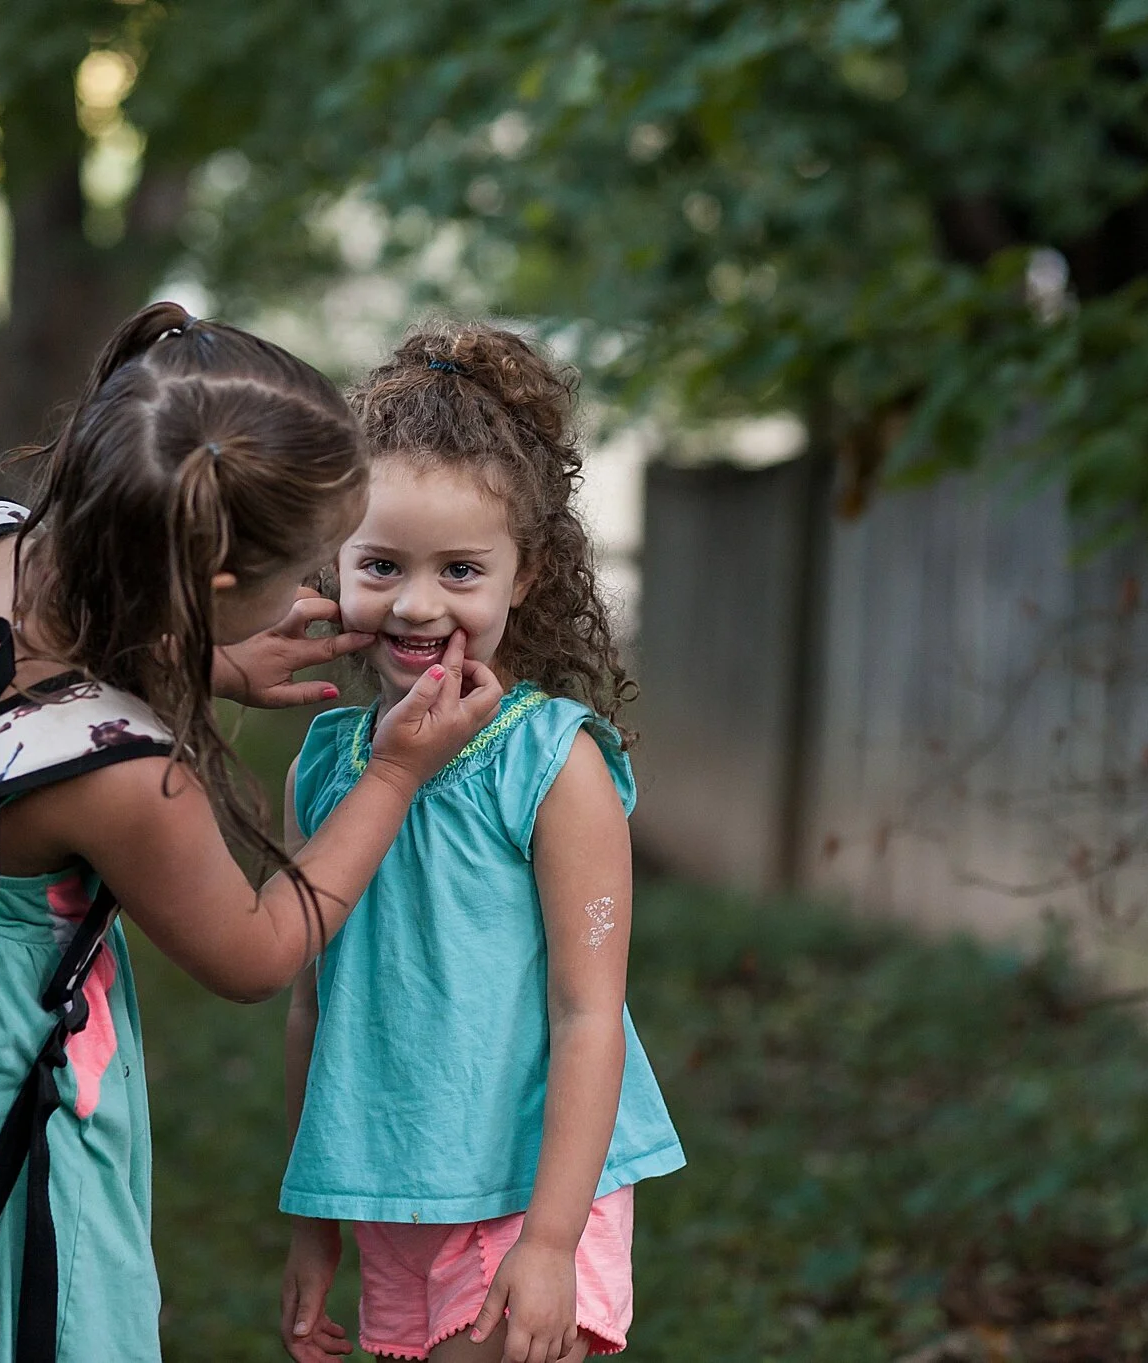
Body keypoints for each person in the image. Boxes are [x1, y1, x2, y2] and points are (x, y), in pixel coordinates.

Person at [0, 302, 505, 1363]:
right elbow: (259, 950)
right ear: (217, 585)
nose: (324, 590)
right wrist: (394, 774)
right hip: (3, 1110)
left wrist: (204, 663)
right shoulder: (124, 776)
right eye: (308, 568)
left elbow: (18, 692)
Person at [279, 325, 686, 1363]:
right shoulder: (327, 770)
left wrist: (550, 1242)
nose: (417, 603)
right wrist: (312, 1222)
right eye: (380, 564)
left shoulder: (551, 766)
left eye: (460, 568)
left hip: (530, 1193)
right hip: (393, 1188)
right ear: (334, 556)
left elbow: (589, 1010)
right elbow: (309, 1004)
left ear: (525, 572)